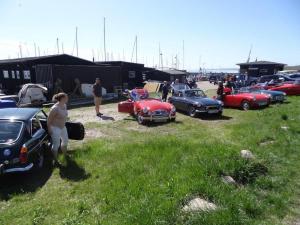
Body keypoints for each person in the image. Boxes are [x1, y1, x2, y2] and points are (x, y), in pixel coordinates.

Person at [47, 92, 69, 164]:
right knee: (56, 144)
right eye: (66, 97)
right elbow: (49, 120)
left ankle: (65, 155)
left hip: (63, 127)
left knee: (65, 141)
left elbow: (64, 115)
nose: (67, 98)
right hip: (55, 128)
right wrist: (49, 129)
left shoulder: (64, 105)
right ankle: (55, 160)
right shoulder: (55, 108)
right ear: (62, 98)